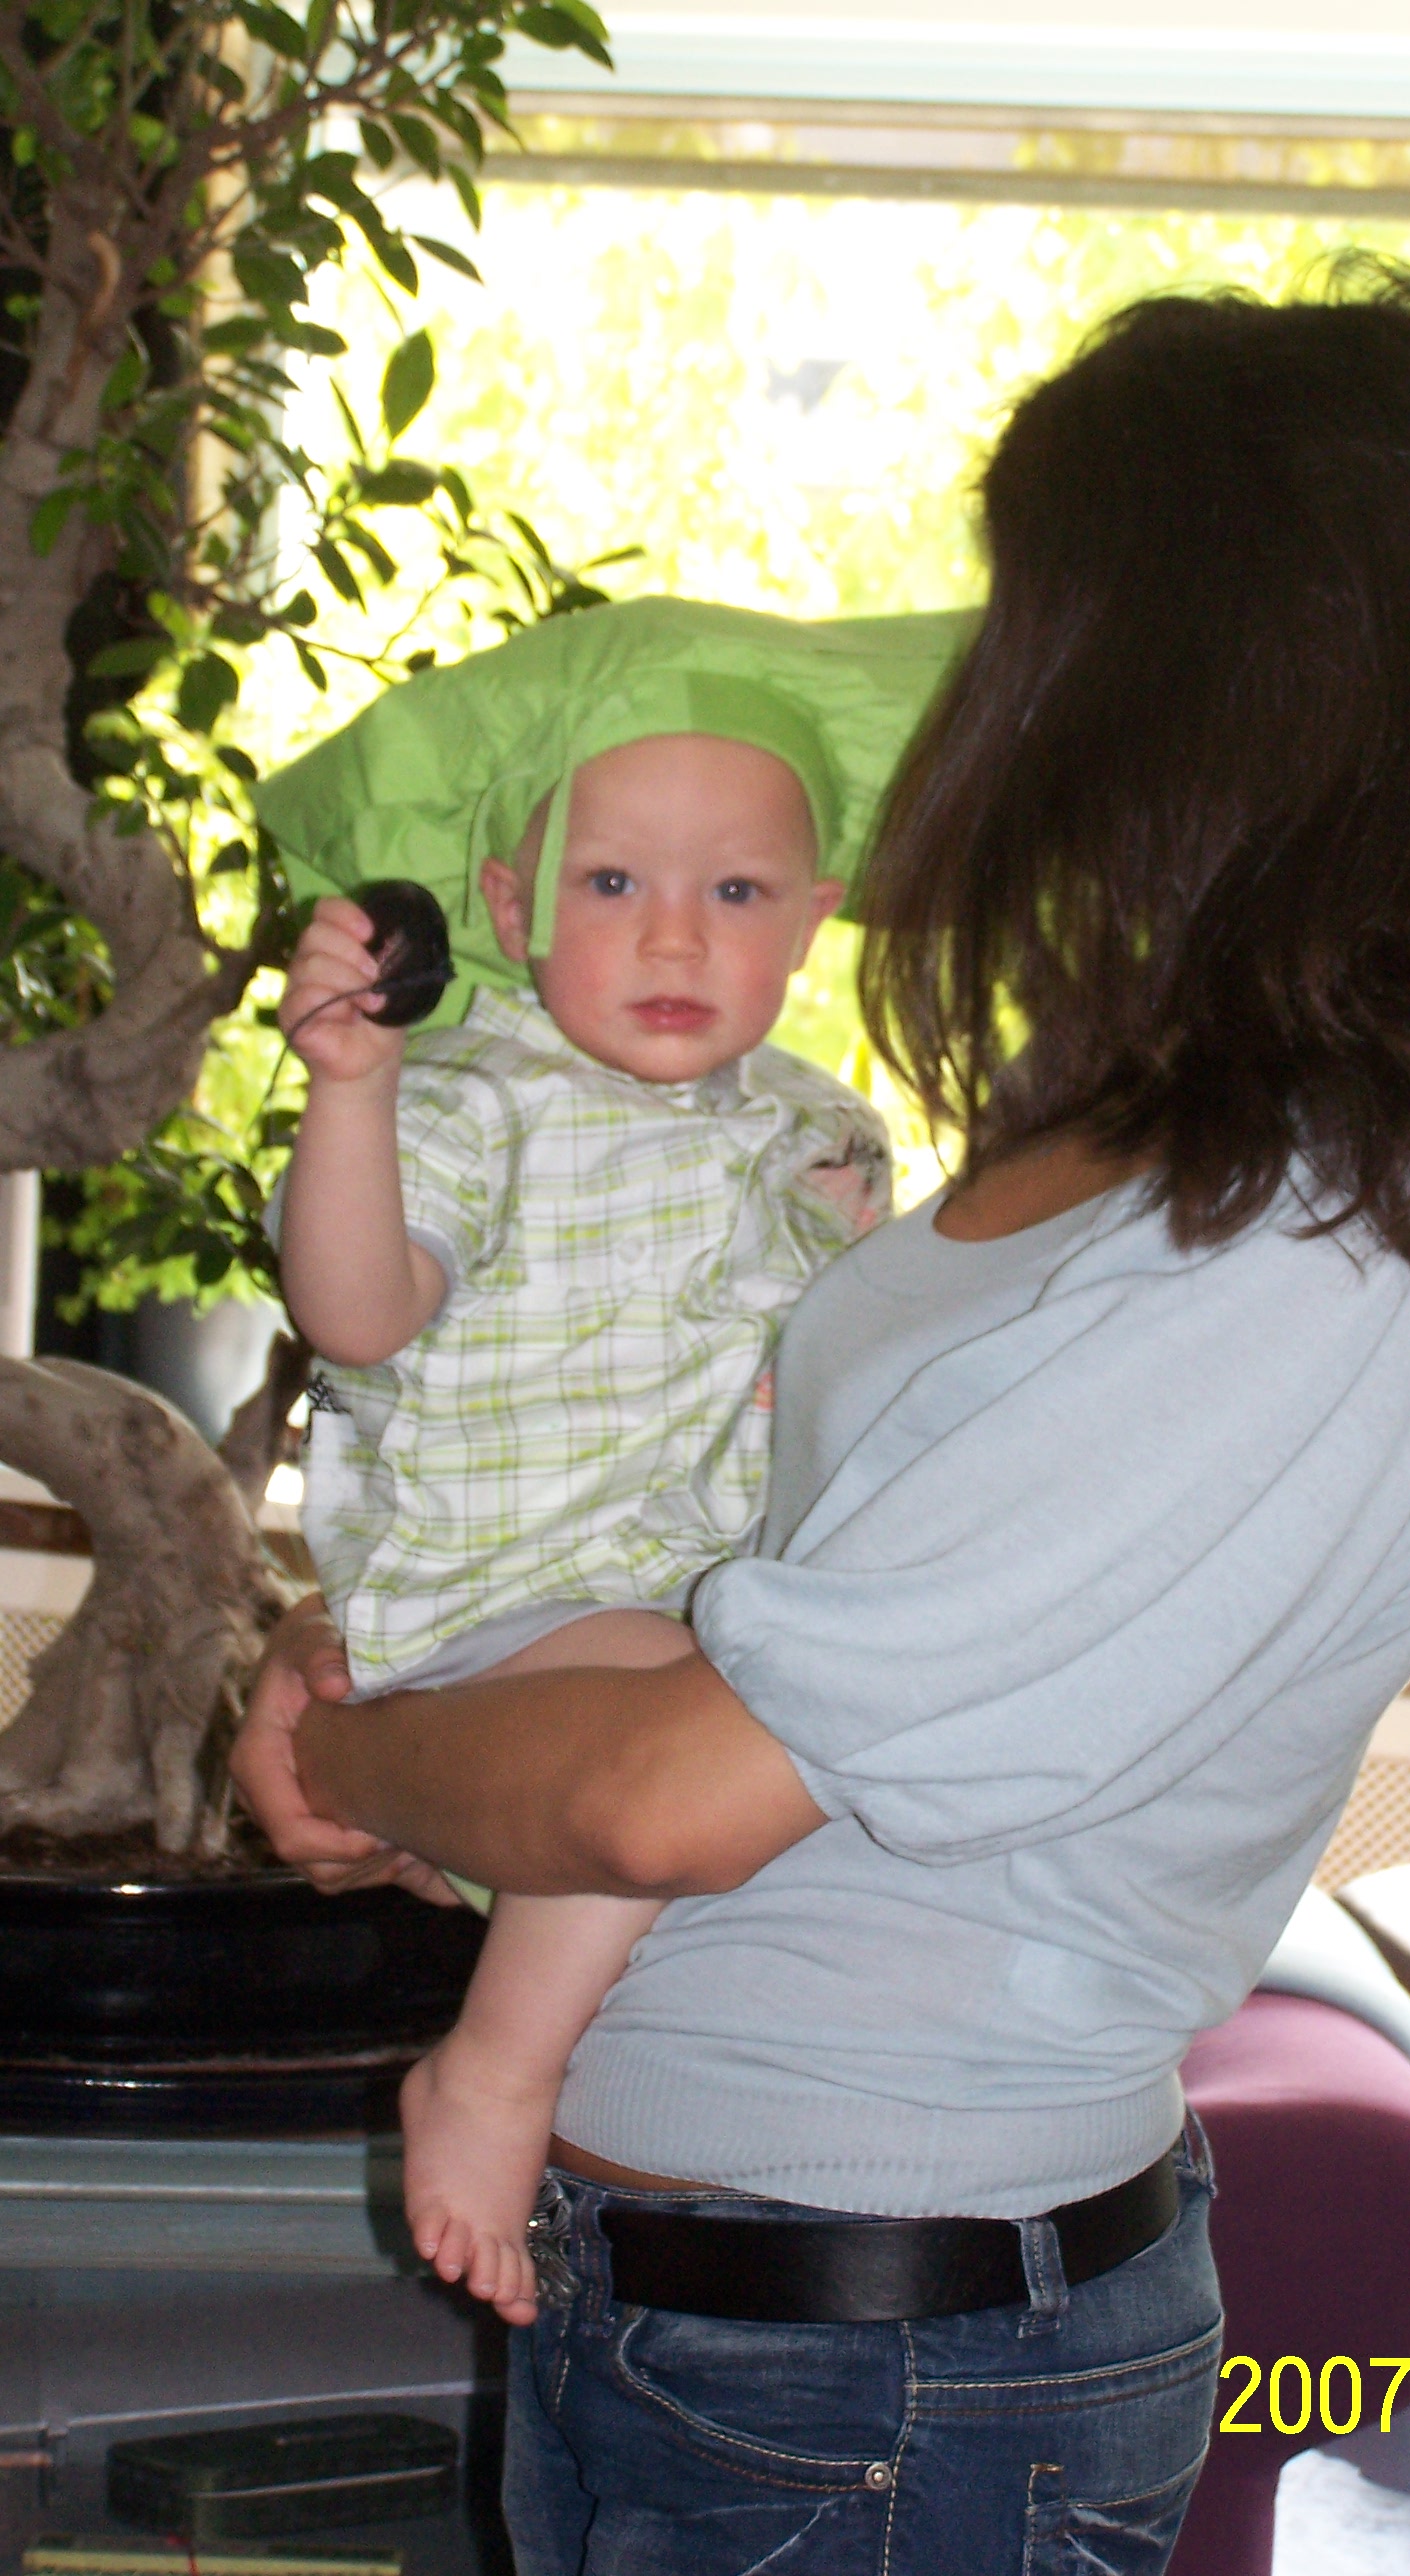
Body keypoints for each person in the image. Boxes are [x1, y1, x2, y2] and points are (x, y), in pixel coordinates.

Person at [235, 265, 1410, 2574]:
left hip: (879, 2362)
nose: (992, 701)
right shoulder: (1153, 1129)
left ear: (1213, 700)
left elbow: (670, 1786)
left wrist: (356, 1754)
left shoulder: (1349, 1243)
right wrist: (397, 1670)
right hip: (699, 2301)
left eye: (1047, 630)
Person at [258, 600, 966, 2324]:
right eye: (612, 883)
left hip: (688, 1596)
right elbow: (357, 1313)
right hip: (495, 1584)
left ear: (816, 916)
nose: (674, 934)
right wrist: (351, 1092)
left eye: (737, 892)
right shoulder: (477, 1098)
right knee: (685, 1708)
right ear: (510, 911)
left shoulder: (823, 1126)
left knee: (726, 1715)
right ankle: (489, 2070)